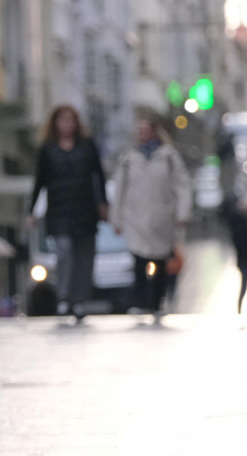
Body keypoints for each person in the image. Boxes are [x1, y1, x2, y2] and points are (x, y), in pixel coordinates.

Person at [26, 105, 108, 320]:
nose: (66, 124)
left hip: (85, 209)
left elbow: (98, 176)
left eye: (70, 120)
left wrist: (103, 204)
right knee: (64, 251)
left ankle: (80, 300)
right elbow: (39, 181)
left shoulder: (87, 146)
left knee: (85, 257)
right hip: (59, 211)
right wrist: (32, 211)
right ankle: (63, 297)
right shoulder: (48, 149)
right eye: (62, 120)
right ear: (55, 123)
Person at [110, 113, 191, 317]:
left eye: (146, 130)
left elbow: (182, 186)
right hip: (135, 217)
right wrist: (116, 218)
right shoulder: (128, 159)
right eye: (140, 130)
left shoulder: (169, 157)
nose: (142, 134)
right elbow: (119, 189)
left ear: (155, 132)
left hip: (162, 217)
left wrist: (183, 212)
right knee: (138, 260)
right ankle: (140, 301)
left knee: (161, 260)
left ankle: (156, 302)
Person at [221, 196, 247, 313]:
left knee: (245, 283)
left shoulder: (240, 223)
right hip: (245, 259)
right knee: (244, 284)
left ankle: (240, 307)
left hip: (246, 259)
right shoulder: (240, 224)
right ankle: (239, 308)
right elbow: (244, 243)